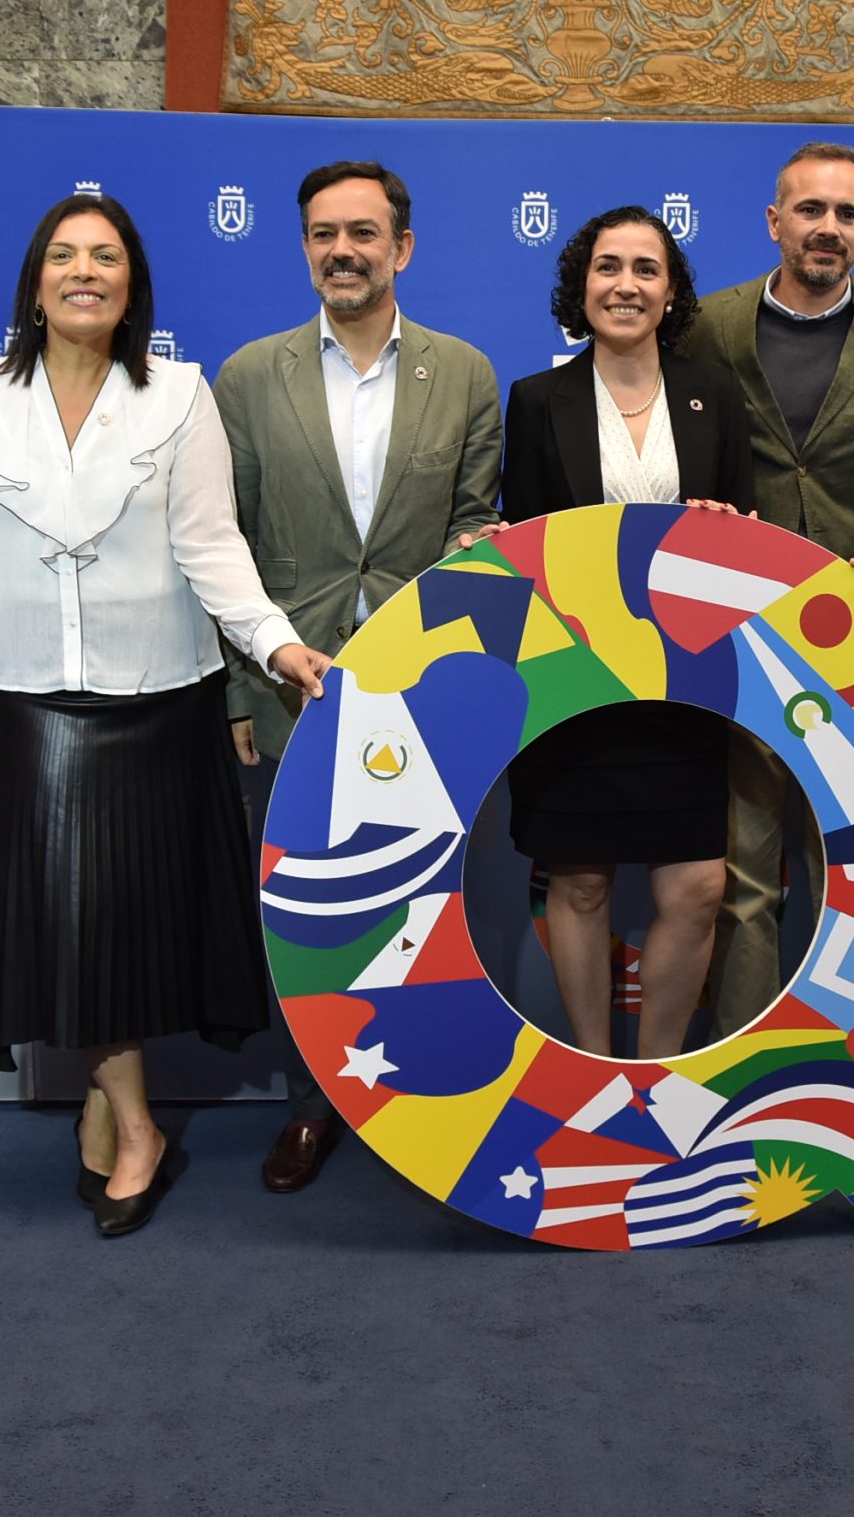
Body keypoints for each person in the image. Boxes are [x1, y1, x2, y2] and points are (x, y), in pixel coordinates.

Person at [0, 193, 332, 1236]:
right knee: (72, 929)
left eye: (105, 256)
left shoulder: (178, 396)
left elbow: (211, 542)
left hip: (161, 701)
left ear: (131, 284)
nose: (84, 272)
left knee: (133, 930)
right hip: (29, 703)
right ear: (34, 283)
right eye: (63, 255)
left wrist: (275, 643)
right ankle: (140, 1126)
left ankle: (111, 1114)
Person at [216, 160, 502, 1194]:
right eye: (324, 234)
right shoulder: (250, 376)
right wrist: (240, 687)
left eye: (363, 233)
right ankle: (309, 1105)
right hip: (291, 687)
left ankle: (418, 1105)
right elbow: (226, 545)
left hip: (424, 692)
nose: (343, 251)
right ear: (305, 247)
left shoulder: (464, 373)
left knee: (423, 903)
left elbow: (475, 522)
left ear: (402, 248)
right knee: (303, 910)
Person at [684, 141, 854, 1041]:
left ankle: (853, 1070)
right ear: (774, 222)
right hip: (740, 635)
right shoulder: (708, 324)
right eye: (809, 209)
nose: (827, 227)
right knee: (747, 878)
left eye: (845, 213)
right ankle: (743, 1069)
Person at [500, 206, 754, 1058]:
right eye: (608, 266)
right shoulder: (537, 400)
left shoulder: (715, 394)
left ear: (671, 291)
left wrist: (727, 530)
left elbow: (749, 540)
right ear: (581, 286)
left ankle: (657, 1075)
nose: (626, 285)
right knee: (577, 884)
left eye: (647, 269)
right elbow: (527, 544)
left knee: (698, 885)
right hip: (573, 691)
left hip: (685, 686)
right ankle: (597, 1070)